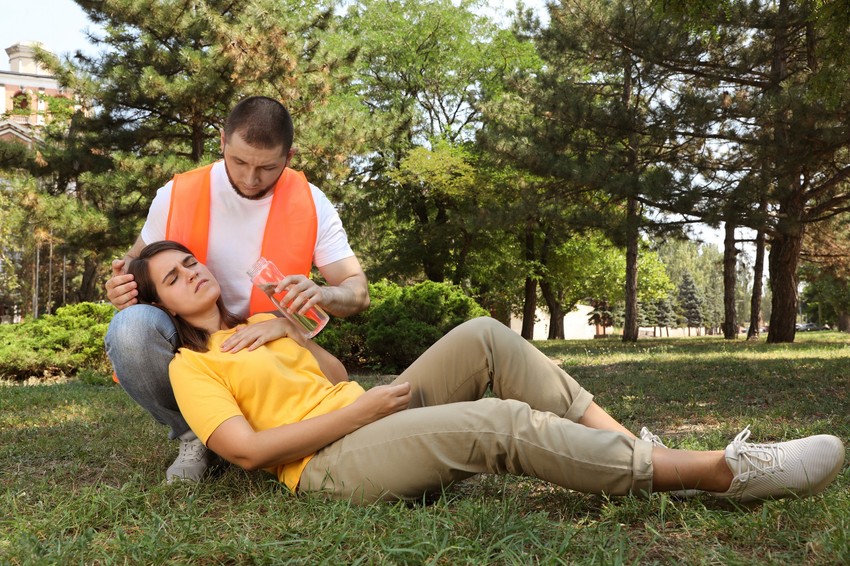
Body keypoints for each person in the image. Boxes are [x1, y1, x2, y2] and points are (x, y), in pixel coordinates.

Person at [128, 240, 845, 503]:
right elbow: (248, 453)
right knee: (500, 423)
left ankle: (635, 445)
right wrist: (364, 410)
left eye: (190, 262)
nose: (191, 274)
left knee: (483, 335)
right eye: (173, 277)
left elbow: (335, 370)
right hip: (327, 463)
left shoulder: (257, 326)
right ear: (160, 304)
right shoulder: (192, 368)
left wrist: (289, 326)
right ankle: (717, 473)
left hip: (366, 412)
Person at [104, 97, 370, 483]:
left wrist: (323, 294)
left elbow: (357, 291)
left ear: (289, 156)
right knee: (130, 327)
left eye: (267, 168)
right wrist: (122, 288)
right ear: (222, 141)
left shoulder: (313, 202)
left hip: (270, 338)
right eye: (240, 162)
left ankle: (277, 426)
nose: (250, 179)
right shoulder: (176, 194)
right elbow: (134, 264)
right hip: (196, 341)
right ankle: (195, 434)